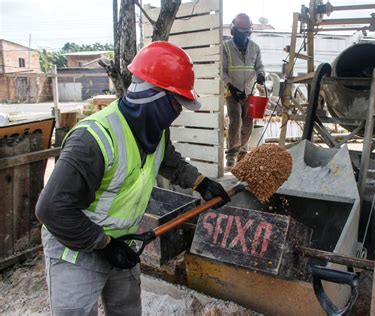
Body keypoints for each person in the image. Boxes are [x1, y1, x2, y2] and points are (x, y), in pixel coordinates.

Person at [35, 41, 230, 316]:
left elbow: (167, 159)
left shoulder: (155, 129)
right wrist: (103, 243)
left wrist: (200, 183)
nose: (176, 113)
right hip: (76, 248)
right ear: (152, 95)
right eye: (175, 103)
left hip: (122, 242)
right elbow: (50, 209)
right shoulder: (92, 140)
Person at [223, 13, 265, 167]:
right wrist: (231, 87)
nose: (244, 35)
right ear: (234, 30)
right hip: (232, 91)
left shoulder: (255, 47)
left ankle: (242, 153)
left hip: (249, 90)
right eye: (241, 32)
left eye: (247, 32)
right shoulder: (226, 47)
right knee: (235, 120)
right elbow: (223, 71)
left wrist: (261, 75)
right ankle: (232, 153)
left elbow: (260, 66)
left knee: (248, 122)